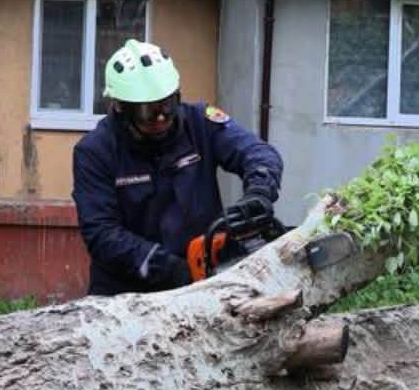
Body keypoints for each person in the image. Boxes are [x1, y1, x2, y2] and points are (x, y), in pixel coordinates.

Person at [72, 38, 284, 297]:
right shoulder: (95, 151)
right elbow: (101, 233)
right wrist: (170, 269)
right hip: (125, 289)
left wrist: (259, 191)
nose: (161, 117)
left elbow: (258, 153)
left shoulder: (200, 122)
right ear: (120, 106)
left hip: (204, 278)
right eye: (148, 111)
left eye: (167, 105)